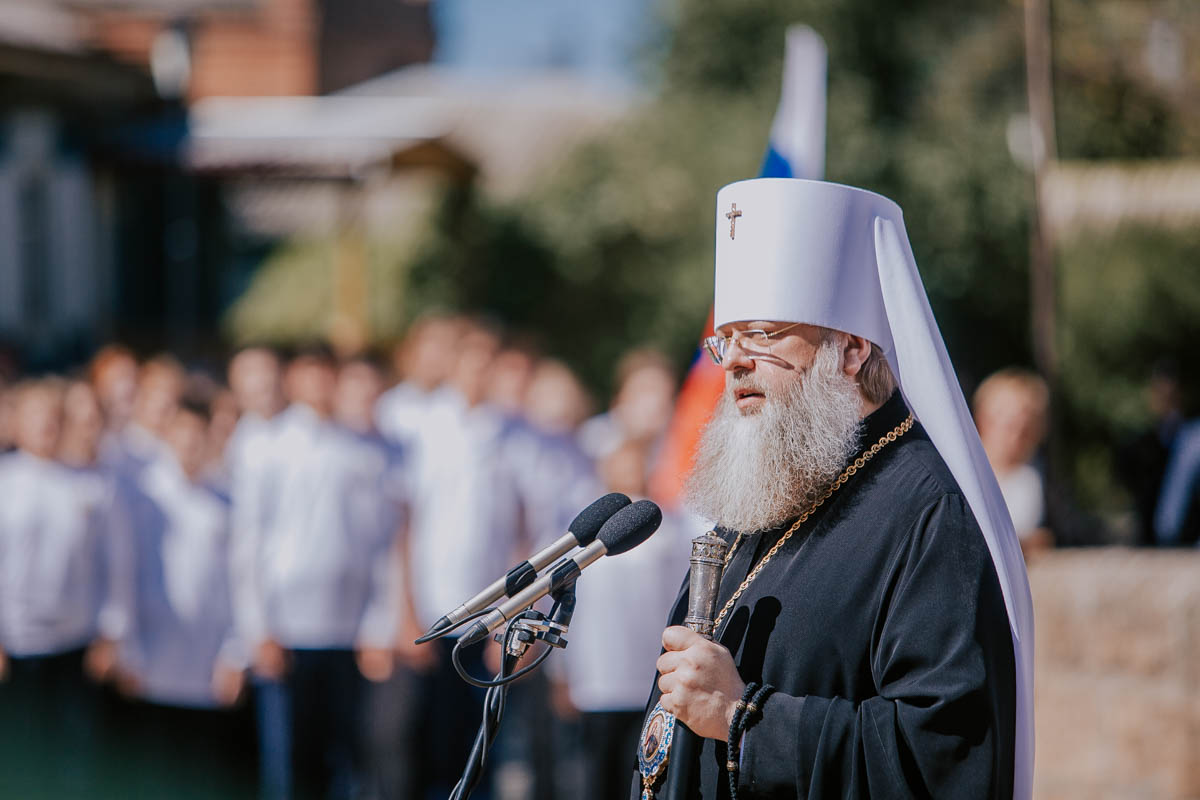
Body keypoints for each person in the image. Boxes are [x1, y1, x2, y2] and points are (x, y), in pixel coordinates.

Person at [630, 179, 1033, 799]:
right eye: (726, 339)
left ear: (850, 348)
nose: (733, 360)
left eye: (763, 333)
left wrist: (743, 718)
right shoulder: (771, 485)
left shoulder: (930, 513)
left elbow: (946, 753)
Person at [232, 344, 401, 800]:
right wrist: (257, 628)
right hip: (287, 628)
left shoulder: (363, 450)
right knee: (291, 762)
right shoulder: (266, 445)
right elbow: (248, 542)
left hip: (347, 628)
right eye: (308, 374)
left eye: (326, 373)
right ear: (291, 380)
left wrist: (378, 623)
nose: (319, 384)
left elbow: (379, 542)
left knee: (347, 761)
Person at [0, 379, 132, 796]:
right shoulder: (5, 481)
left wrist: (111, 632)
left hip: (76, 644)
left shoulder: (91, 485)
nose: (47, 426)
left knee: (71, 761)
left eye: (54, 417)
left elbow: (116, 565)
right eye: (36, 417)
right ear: (16, 423)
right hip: (15, 646)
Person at [117, 394, 253, 795]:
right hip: (151, 659)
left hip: (208, 664)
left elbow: (242, 583)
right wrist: (128, 649)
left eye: (198, 433)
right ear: (167, 434)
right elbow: (124, 576)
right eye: (182, 432)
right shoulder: (142, 496)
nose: (190, 442)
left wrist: (235, 653)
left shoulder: (228, 500)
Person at [974, 368, 1053, 558]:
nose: (1016, 438)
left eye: (1026, 430)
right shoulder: (966, 476)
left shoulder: (1035, 480)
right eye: (1010, 426)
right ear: (983, 421)